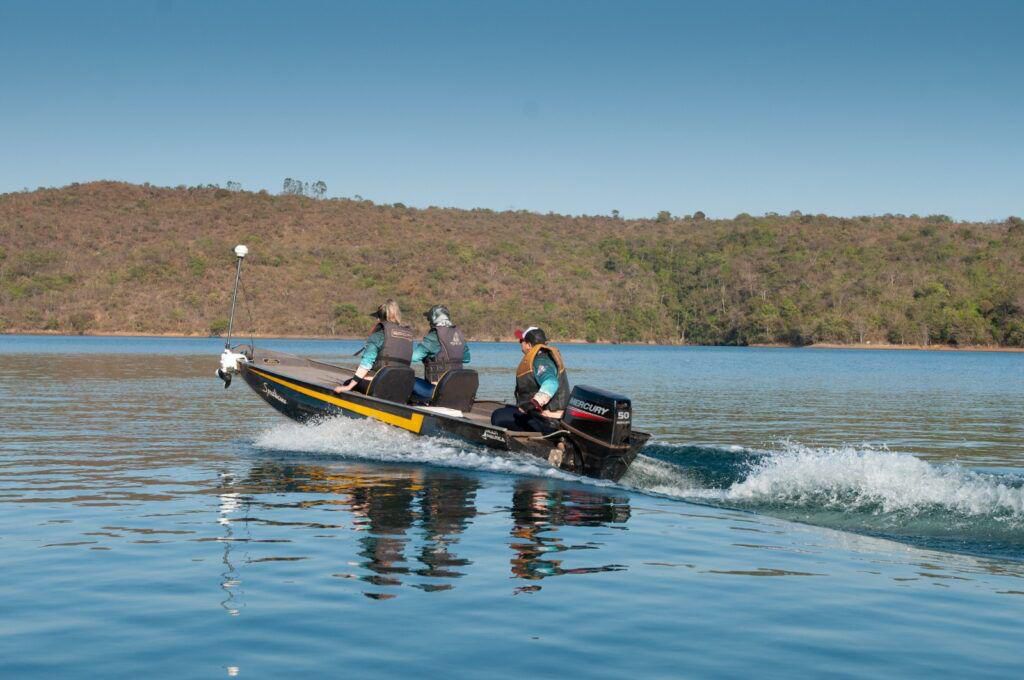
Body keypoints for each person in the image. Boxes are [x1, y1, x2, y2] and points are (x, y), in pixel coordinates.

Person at [490, 326, 570, 434]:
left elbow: (551, 382)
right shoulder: (545, 357)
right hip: (549, 416)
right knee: (509, 409)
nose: (520, 344)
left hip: (549, 421)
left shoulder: (540, 361)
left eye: (521, 341)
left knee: (497, 416)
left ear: (529, 345)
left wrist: (534, 403)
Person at [334, 299, 415, 393]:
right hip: (402, 385)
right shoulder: (408, 335)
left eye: (378, 316)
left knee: (347, 383)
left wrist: (348, 387)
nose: (377, 319)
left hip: (382, 384)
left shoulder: (378, 335)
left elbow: (366, 364)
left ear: (381, 317)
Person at [411, 305, 472, 402]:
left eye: (429, 319)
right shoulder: (459, 335)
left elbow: (413, 357)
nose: (429, 322)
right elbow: (467, 359)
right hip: (457, 388)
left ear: (434, 318)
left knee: (406, 379)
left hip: (437, 390)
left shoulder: (434, 336)